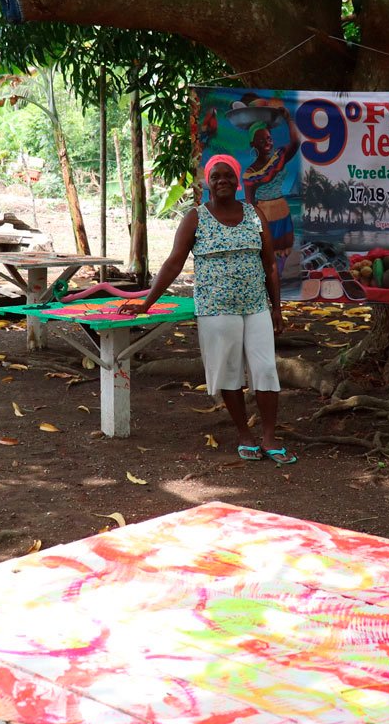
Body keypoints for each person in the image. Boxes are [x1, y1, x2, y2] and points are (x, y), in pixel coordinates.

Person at [118, 154, 292, 464]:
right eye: (216, 176)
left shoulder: (254, 214)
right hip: (216, 309)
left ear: (237, 181)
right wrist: (146, 303)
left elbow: (270, 266)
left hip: (256, 306)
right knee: (229, 371)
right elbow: (173, 263)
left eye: (228, 175)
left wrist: (276, 308)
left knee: (266, 369)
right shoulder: (195, 218)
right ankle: (245, 435)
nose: (222, 180)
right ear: (207, 182)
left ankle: (269, 437)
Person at [242, 103, 301, 275]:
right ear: (253, 144)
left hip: (283, 212)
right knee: (268, 256)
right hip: (265, 216)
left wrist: (289, 119)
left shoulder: (278, 158)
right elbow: (250, 204)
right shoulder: (250, 173)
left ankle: (278, 284)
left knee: (283, 255)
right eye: (261, 140)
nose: (267, 143)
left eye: (269, 139)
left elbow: (296, 142)